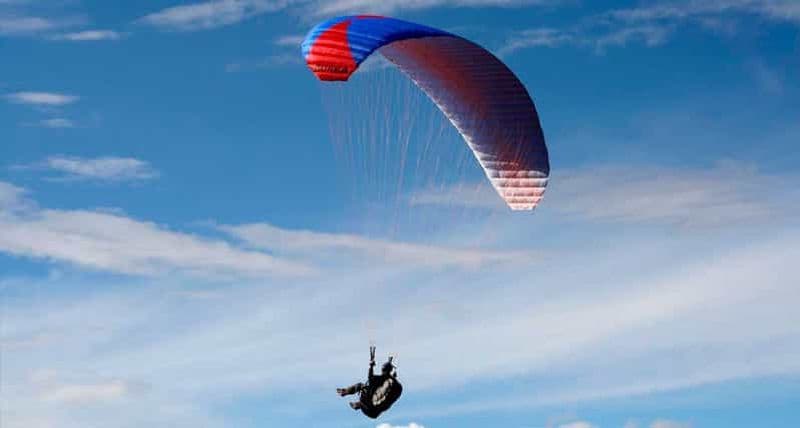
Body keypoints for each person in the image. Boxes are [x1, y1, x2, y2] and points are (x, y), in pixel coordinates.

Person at [337, 346, 403, 419]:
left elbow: (370, 378)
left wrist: (371, 366)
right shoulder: (397, 386)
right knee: (372, 391)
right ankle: (358, 404)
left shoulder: (379, 380)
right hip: (376, 413)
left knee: (361, 386)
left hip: (368, 408)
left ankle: (345, 393)